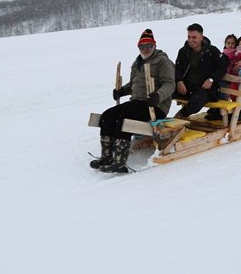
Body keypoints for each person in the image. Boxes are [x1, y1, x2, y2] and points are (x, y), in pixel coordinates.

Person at [91, 29, 175, 173]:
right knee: (107, 116)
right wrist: (121, 91)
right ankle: (107, 157)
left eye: (149, 45)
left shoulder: (163, 61)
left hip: (155, 106)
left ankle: (119, 162)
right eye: (142, 46)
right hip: (137, 102)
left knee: (125, 120)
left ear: (154, 45)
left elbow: (170, 84)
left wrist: (157, 96)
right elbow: (133, 85)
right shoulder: (137, 63)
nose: (145, 49)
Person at [172, 23, 227, 118]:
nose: (191, 40)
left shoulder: (211, 51)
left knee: (198, 99)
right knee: (168, 89)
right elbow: (177, 68)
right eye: (189, 37)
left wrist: (211, 79)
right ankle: (157, 116)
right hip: (187, 86)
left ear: (201, 37)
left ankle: (179, 116)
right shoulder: (183, 51)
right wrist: (179, 81)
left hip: (206, 88)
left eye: (194, 37)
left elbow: (223, 67)